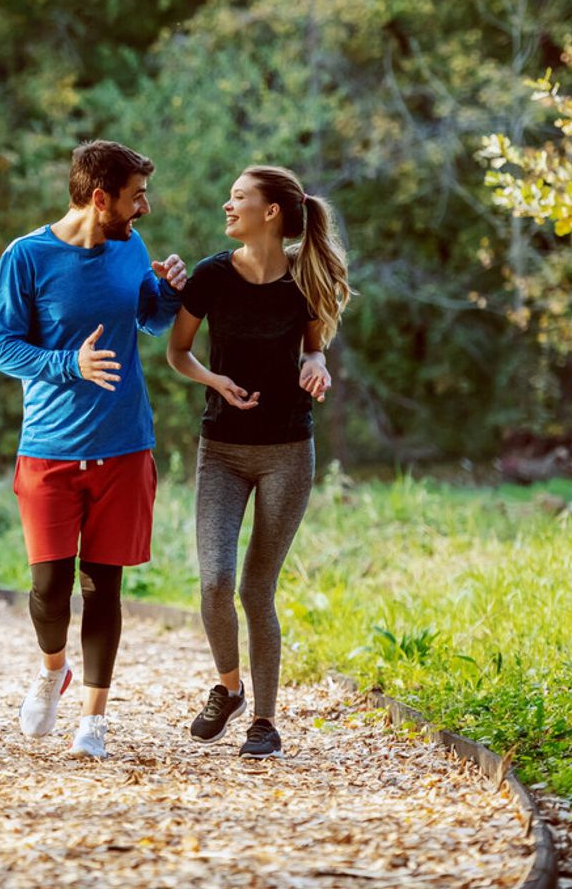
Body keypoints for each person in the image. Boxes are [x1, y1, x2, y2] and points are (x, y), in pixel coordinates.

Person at [0, 140, 186, 759]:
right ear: (101, 199)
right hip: (49, 448)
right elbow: (3, 348)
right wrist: (68, 364)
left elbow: (147, 322)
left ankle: (94, 720)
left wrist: (168, 295)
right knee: (49, 590)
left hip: (124, 445)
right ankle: (54, 671)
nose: (145, 208)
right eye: (136, 197)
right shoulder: (26, 257)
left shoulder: (132, 248)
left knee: (105, 587)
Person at [166, 165, 350, 759]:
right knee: (215, 580)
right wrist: (215, 381)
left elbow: (315, 347)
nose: (227, 205)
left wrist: (317, 363)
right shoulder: (212, 276)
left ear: (270, 212)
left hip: (287, 453)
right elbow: (177, 351)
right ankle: (228, 687)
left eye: (239, 198)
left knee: (255, 588)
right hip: (221, 449)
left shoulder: (306, 277)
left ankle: (265, 723)